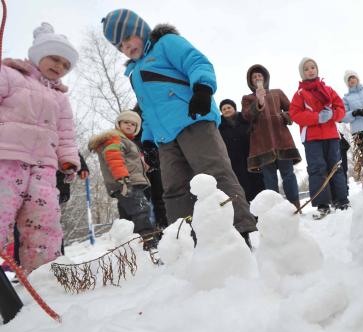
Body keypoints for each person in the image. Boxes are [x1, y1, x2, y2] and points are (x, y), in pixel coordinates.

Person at [101, 9, 257, 246]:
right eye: (119, 45)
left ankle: (241, 228)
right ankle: (184, 242)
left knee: (214, 173)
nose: (125, 47)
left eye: (128, 38)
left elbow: (196, 61)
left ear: (140, 30)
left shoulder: (166, 43)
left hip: (194, 119)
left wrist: (203, 89)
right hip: (165, 139)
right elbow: (148, 110)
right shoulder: (134, 73)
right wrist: (150, 141)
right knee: (174, 189)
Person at [0, 22, 80, 274]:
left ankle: (45, 275)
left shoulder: (60, 97)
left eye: (66, 65)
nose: (59, 67)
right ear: (38, 54)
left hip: (43, 168)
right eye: (54, 59)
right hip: (7, 159)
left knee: (44, 223)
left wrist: (68, 160)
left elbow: (66, 134)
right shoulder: (10, 74)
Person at [289, 57, 349, 217]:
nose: (310, 70)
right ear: (302, 73)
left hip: (331, 135)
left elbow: (340, 108)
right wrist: (316, 117)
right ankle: (323, 204)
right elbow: (295, 114)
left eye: (313, 67)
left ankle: (342, 200)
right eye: (307, 68)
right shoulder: (299, 94)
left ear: (317, 69)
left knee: (336, 167)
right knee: (317, 169)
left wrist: (333, 114)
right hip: (312, 138)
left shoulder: (328, 89)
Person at [88, 110, 157, 250]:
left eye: (133, 124)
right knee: (141, 210)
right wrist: (122, 178)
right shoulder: (115, 139)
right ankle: (149, 242)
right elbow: (114, 158)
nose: (129, 126)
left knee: (128, 218)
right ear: (118, 124)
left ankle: (130, 246)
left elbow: (130, 161)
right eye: (126, 122)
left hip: (129, 181)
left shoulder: (127, 142)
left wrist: (144, 167)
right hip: (126, 183)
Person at [241, 65, 302, 210]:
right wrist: (259, 101)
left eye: (259, 76)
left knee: (288, 175)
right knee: (269, 179)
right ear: (250, 81)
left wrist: (283, 116)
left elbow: (292, 110)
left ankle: (295, 207)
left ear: (265, 77)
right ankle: (275, 210)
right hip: (262, 145)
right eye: (254, 77)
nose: (257, 78)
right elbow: (246, 116)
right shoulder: (247, 98)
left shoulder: (277, 93)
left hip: (283, 142)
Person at [218, 99, 264, 202]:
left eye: (229, 107)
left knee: (259, 183)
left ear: (234, 108)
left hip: (251, 157)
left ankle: (264, 209)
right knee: (243, 186)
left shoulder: (245, 119)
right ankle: (251, 214)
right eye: (224, 109)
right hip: (234, 161)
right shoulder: (219, 126)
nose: (226, 110)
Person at [132, 104, 168, 230]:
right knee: (144, 200)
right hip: (140, 166)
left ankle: (163, 226)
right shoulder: (133, 122)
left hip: (157, 162)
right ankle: (147, 231)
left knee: (160, 197)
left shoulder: (155, 116)